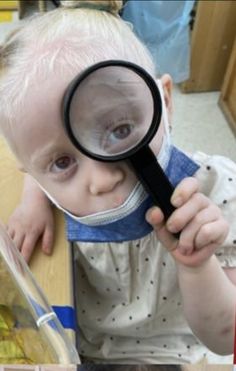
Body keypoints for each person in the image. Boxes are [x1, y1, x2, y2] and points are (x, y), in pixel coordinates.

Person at [0, 0, 236, 364]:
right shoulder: (57, 195)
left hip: (168, 357)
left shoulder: (217, 194)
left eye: (121, 129)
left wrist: (197, 265)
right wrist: (34, 198)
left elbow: (226, 339)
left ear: (165, 102)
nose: (103, 179)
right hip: (78, 344)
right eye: (63, 162)